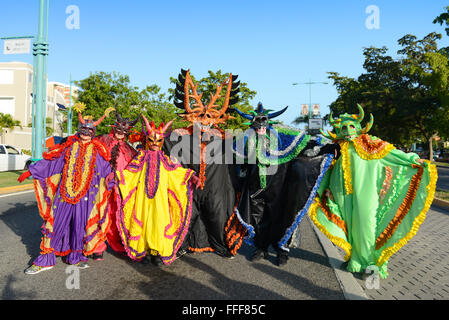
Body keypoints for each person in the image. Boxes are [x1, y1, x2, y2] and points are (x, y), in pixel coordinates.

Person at [309, 104, 437, 278]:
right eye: (343, 127)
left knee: (366, 225)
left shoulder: (370, 143)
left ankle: (371, 266)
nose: (347, 130)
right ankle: (355, 259)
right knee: (350, 227)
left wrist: (413, 159)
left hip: (365, 195)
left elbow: (393, 154)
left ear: (359, 128)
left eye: (351, 126)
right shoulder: (337, 146)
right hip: (342, 195)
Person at [231, 102, 339, 266]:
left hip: (279, 186)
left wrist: (326, 146)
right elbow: (236, 157)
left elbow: (306, 140)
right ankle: (260, 248)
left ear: (268, 122)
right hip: (255, 189)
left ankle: (282, 250)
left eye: (263, 121)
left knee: (284, 216)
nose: (260, 126)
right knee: (257, 218)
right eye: (256, 122)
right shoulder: (246, 137)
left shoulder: (281, 135)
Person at [18, 103, 115, 274]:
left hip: (85, 197)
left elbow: (106, 171)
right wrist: (32, 171)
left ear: (93, 134)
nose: (86, 134)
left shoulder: (97, 152)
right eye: (83, 130)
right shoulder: (68, 148)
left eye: (89, 131)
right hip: (64, 194)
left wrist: (112, 180)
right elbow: (53, 163)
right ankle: (45, 259)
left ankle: (76, 257)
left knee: (79, 226)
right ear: (79, 130)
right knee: (55, 224)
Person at [164, 69, 242, 258]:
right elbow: (160, 145)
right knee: (187, 217)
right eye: (200, 116)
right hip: (189, 187)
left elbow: (242, 155)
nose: (205, 120)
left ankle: (221, 246)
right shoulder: (179, 136)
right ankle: (183, 245)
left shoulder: (224, 138)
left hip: (214, 188)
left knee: (216, 216)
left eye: (209, 117)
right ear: (192, 117)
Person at [116, 115, 201, 266]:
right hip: (142, 198)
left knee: (159, 223)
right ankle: (144, 251)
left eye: (158, 141)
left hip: (160, 199)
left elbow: (176, 172)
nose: (155, 143)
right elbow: (130, 172)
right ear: (147, 140)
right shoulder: (140, 157)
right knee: (143, 221)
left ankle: (157, 252)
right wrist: (116, 176)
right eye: (151, 140)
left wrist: (192, 176)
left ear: (162, 142)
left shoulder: (166, 159)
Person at [89, 104, 139, 260]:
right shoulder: (102, 140)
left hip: (119, 189)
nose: (121, 133)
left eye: (124, 131)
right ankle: (97, 247)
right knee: (98, 214)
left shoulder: (130, 149)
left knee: (116, 215)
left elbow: (136, 168)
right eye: (119, 129)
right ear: (114, 127)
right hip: (100, 185)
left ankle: (118, 244)